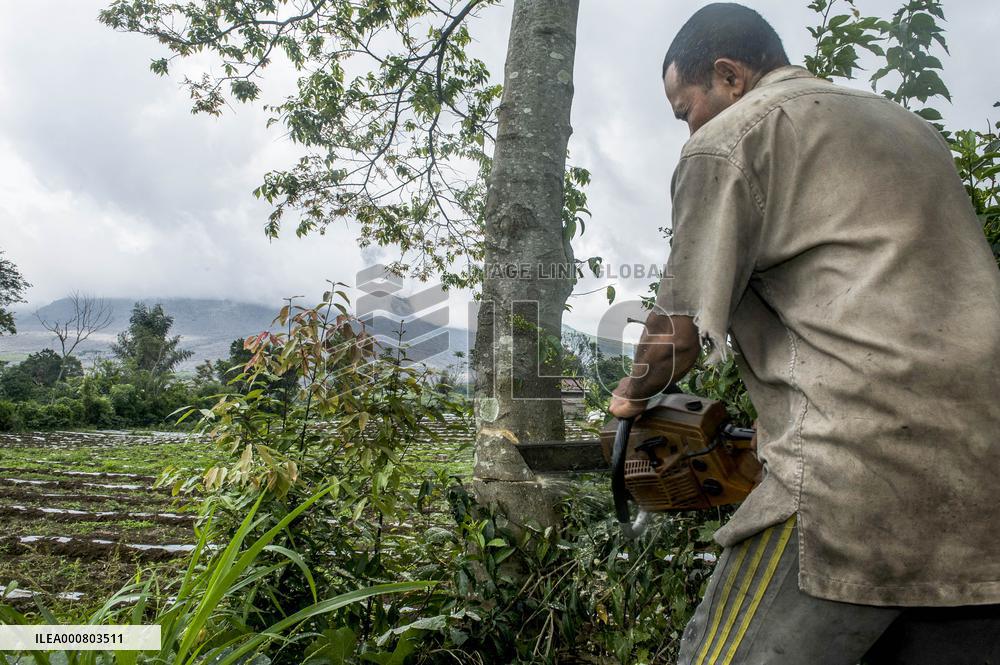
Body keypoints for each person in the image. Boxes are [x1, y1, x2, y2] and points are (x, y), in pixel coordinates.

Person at [608, 3, 1000, 663]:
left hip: (852, 476)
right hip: (980, 484)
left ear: (728, 76)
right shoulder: (910, 130)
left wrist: (629, 396)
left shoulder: (732, 137)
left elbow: (677, 335)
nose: (688, 126)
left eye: (685, 109)